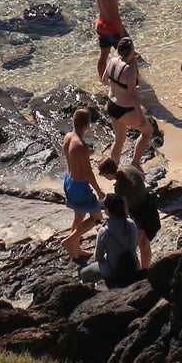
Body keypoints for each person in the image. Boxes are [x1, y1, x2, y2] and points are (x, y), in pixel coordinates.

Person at [61, 109, 104, 261]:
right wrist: (99, 191)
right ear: (87, 125)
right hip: (80, 187)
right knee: (97, 218)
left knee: (79, 217)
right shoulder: (82, 146)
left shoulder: (68, 136)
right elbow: (88, 173)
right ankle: (69, 241)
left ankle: (75, 251)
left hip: (68, 181)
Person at [101, 157, 158, 270]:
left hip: (139, 217)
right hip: (150, 209)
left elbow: (125, 209)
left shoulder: (119, 187)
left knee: (130, 248)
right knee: (145, 245)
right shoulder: (130, 168)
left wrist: (125, 225)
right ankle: (145, 269)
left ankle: (138, 272)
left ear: (107, 174)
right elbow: (142, 177)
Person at [103, 36, 150, 167]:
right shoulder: (130, 68)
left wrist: (116, 87)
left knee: (119, 139)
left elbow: (103, 80)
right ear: (131, 52)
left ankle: (113, 170)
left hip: (111, 105)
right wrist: (140, 115)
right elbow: (132, 95)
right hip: (124, 109)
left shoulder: (112, 61)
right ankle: (135, 163)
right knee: (147, 132)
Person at [91, 193, 141, 288]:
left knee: (85, 273)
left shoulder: (104, 231)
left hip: (114, 273)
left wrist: (100, 233)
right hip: (133, 268)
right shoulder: (131, 224)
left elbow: (98, 257)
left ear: (108, 211)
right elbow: (136, 244)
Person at [94, 0, 126, 77]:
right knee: (128, 55)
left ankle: (102, 80)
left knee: (103, 55)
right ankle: (133, 80)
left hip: (101, 24)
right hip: (112, 28)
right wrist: (122, 33)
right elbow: (115, 16)